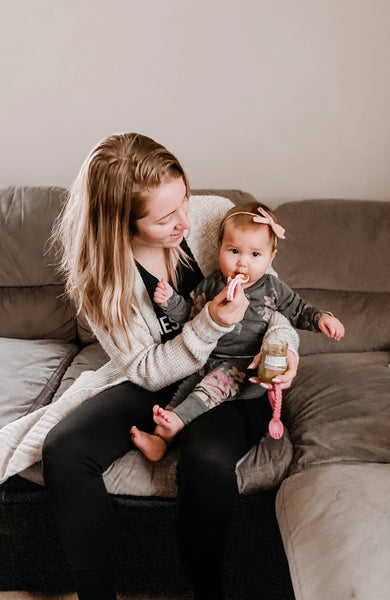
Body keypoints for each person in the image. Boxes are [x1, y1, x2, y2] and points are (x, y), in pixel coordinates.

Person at [42, 132, 300, 600]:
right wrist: (208, 323)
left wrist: (285, 354)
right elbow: (145, 371)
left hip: (234, 372)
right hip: (157, 375)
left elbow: (275, 307)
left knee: (205, 456)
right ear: (122, 223)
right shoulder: (101, 276)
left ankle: (208, 591)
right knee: (64, 450)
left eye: (183, 199)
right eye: (164, 218)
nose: (184, 219)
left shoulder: (205, 217)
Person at [131, 202, 345, 462]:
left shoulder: (272, 288)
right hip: (208, 359)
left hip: (245, 367)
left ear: (271, 257)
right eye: (234, 251)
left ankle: (176, 422)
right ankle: (160, 439)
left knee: (210, 386)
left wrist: (323, 318)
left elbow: (298, 310)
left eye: (255, 255)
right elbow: (189, 315)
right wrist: (169, 301)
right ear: (219, 248)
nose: (242, 263)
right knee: (184, 388)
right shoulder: (212, 285)